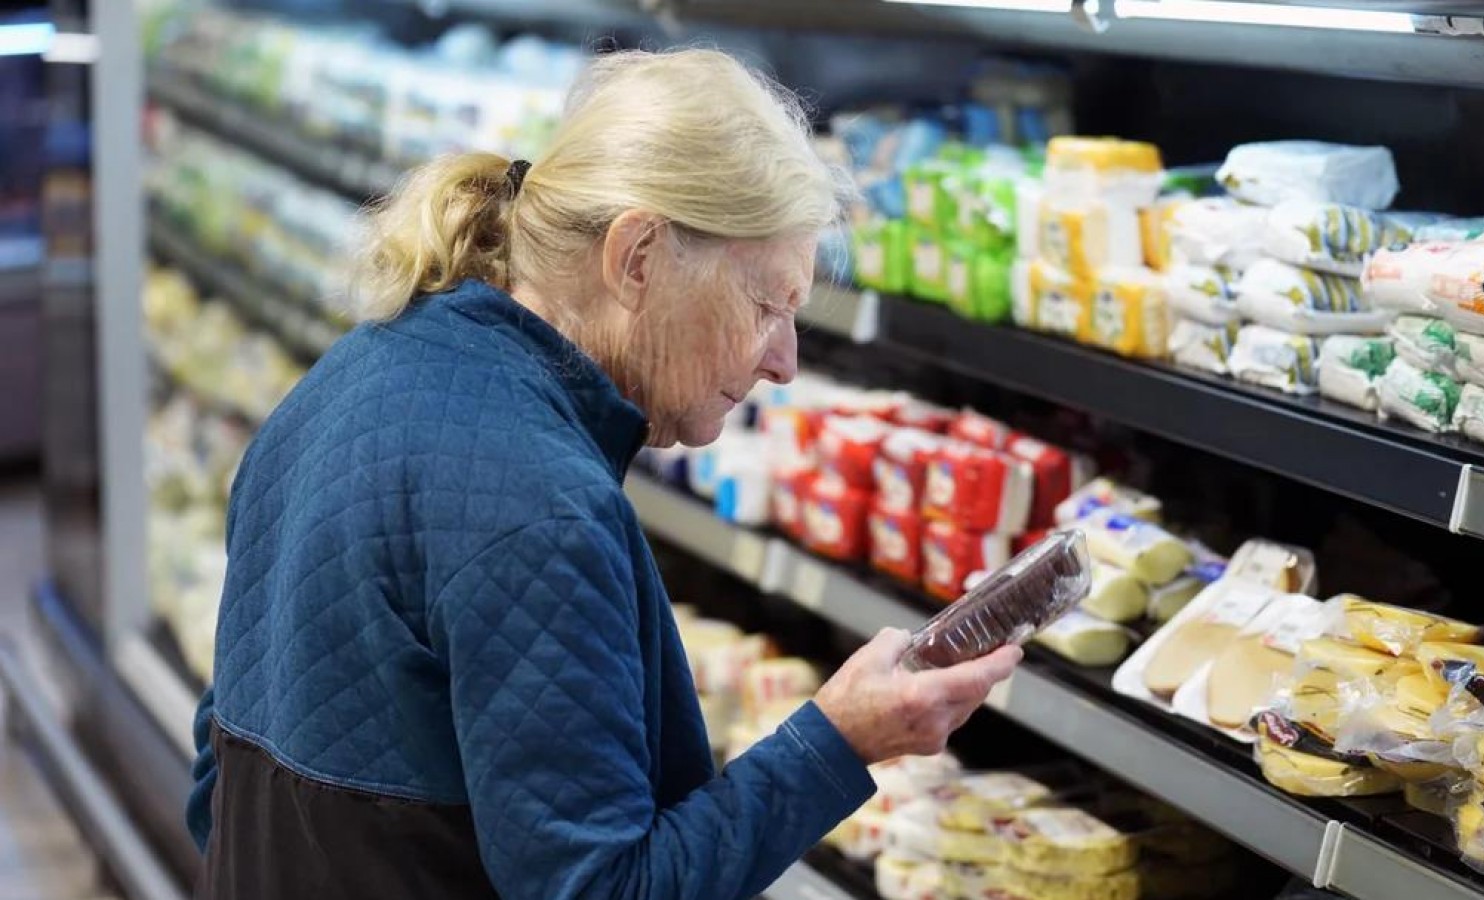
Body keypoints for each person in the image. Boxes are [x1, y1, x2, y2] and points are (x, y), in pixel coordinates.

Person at [187, 48, 1021, 899]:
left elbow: (220, 764)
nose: (785, 362)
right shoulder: (541, 511)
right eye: (766, 305)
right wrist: (839, 741)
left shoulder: (341, 381)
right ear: (638, 257)